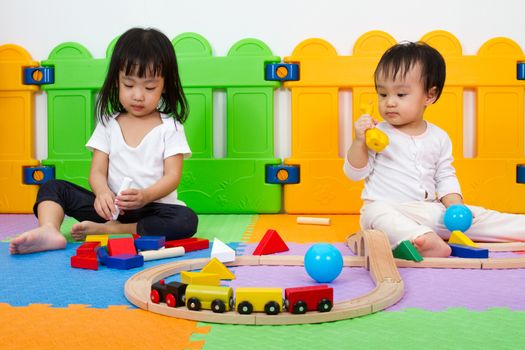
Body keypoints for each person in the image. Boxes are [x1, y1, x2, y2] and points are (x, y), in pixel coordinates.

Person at [10, 27, 198, 254]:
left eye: (149, 87)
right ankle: (49, 229)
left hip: (153, 209)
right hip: (111, 208)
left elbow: (172, 177)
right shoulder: (109, 123)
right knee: (53, 187)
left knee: (186, 219)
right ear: (117, 81)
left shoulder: (170, 126)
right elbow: (97, 171)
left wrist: (145, 196)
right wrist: (102, 194)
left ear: (165, 85)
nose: (138, 95)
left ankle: (113, 231)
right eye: (129, 85)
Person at [344, 41, 525, 257]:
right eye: (383, 94)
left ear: (429, 96)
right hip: (386, 207)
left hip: (427, 209)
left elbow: (445, 177)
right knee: (377, 216)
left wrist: (455, 207)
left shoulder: (439, 137)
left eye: (400, 95)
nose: (389, 102)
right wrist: (358, 142)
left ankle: (517, 226)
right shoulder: (376, 134)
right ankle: (422, 239)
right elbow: (354, 173)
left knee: (476, 216)